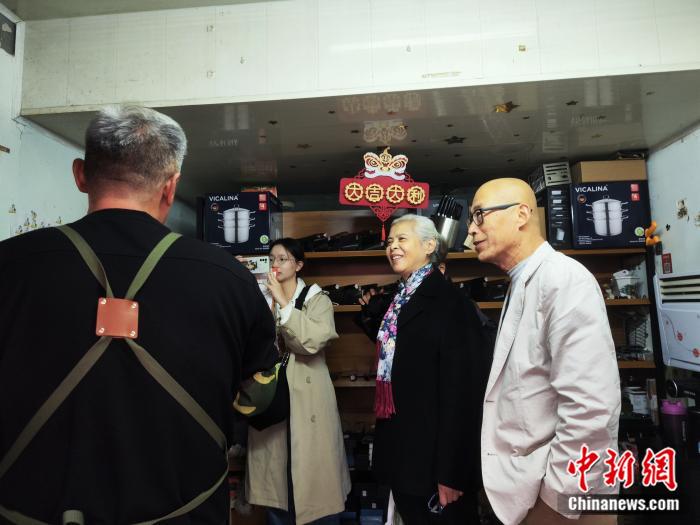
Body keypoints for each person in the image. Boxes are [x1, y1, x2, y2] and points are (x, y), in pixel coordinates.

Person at [0, 106, 277, 523]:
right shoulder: (229, 278)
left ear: (80, 175)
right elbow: (262, 400)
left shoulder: (10, 265)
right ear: (171, 186)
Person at [467, 178, 621, 525]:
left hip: (564, 500)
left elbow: (591, 407)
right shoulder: (524, 280)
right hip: (532, 489)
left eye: (479, 216)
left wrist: (556, 500)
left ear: (521, 215)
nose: (471, 231)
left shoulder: (564, 279)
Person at [358, 214, 486, 525]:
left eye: (402, 239)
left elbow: (463, 393)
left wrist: (452, 473)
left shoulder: (451, 303)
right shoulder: (400, 299)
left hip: (435, 463)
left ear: (430, 246)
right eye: (390, 241)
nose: (392, 247)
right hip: (405, 453)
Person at [246, 238, 351, 524]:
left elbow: (312, 342)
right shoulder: (261, 299)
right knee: (276, 481)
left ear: (299, 265)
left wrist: (283, 303)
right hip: (271, 397)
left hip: (309, 399)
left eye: (283, 259)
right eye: (271, 259)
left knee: (315, 482)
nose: (275, 264)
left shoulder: (318, 300)